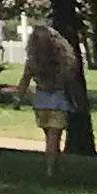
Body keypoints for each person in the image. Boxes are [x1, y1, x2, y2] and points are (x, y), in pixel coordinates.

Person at [21, 17, 84, 177]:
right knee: (54, 137)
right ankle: (51, 168)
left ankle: (54, 164)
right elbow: (70, 76)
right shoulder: (62, 61)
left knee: (48, 135)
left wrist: (19, 97)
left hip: (40, 102)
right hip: (58, 101)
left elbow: (25, 80)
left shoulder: (33, 62)